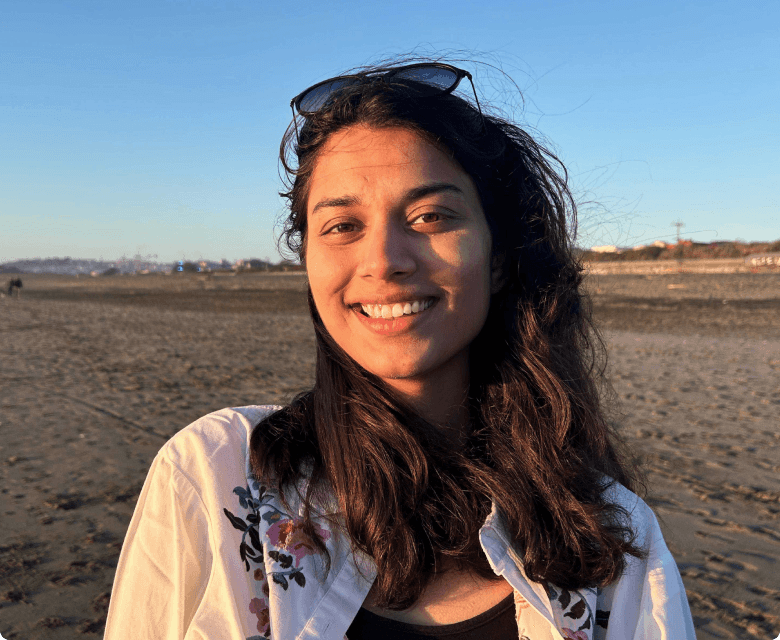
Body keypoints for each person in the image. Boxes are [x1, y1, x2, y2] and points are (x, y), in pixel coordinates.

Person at [104, 59, 697, 640]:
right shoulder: (216, 475)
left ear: (498, 258)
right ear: (309, 261)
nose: (384, 260)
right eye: (342, 226)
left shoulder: (610, 532)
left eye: (430, 216)